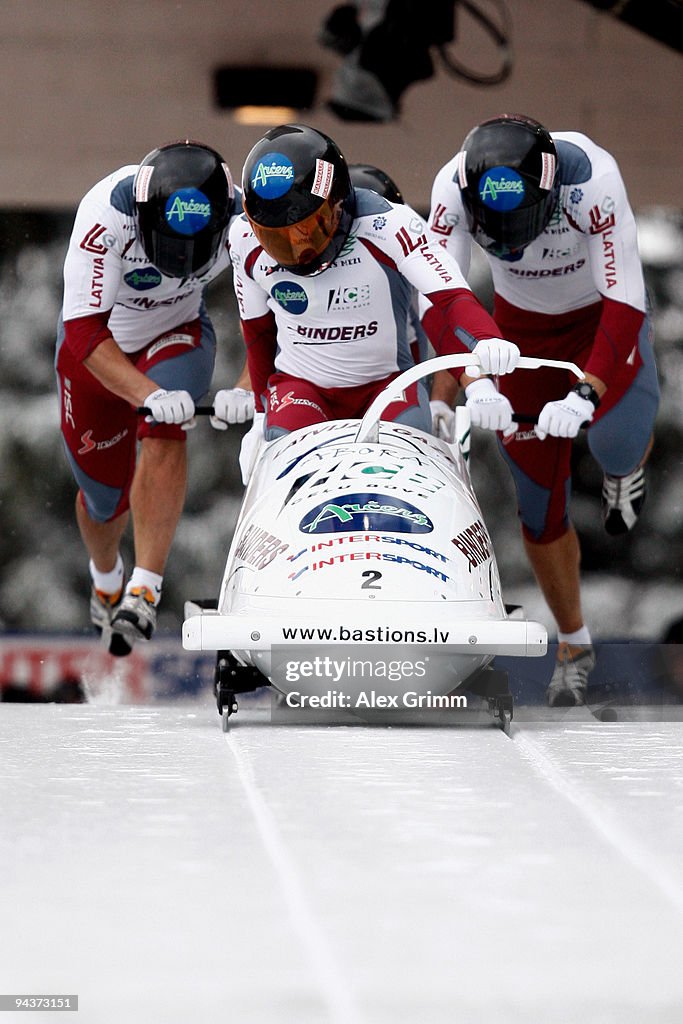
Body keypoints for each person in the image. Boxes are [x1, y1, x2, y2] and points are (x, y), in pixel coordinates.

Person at [426, 113, 660, 706]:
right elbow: (440, 297)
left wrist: (587, 391)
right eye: (493, 229)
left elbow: (626, 300)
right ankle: (574, 642)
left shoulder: (592, 179)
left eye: (519, 224)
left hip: (601, 322)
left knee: (615, 442)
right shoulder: (451, 189)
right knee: (537, 503)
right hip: (520, 334)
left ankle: (625, 469)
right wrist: (471, 381)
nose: (507, 240)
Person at [211, 123, 520, 485]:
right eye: (275, 239)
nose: (295, 251)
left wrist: (484, 345)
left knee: (407, 464)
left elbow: (448, 299)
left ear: (338, 207)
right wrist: (262, 417)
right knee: (289, 456)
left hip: (384, 387)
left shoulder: (389, 226)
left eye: (306, 230)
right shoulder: (244, 240)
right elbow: (258, 331)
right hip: (302, 387)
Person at [56, 140, 252, 656]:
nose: (180, 262)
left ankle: (144, 588)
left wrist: (247, 387)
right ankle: (107, 576)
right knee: (103, 500)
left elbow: (281, 315)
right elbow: (83, 333)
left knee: (166, 427)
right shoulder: (106, 214)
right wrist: (146, 392)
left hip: (177, 330)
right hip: (99, 347)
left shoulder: (246, 219)